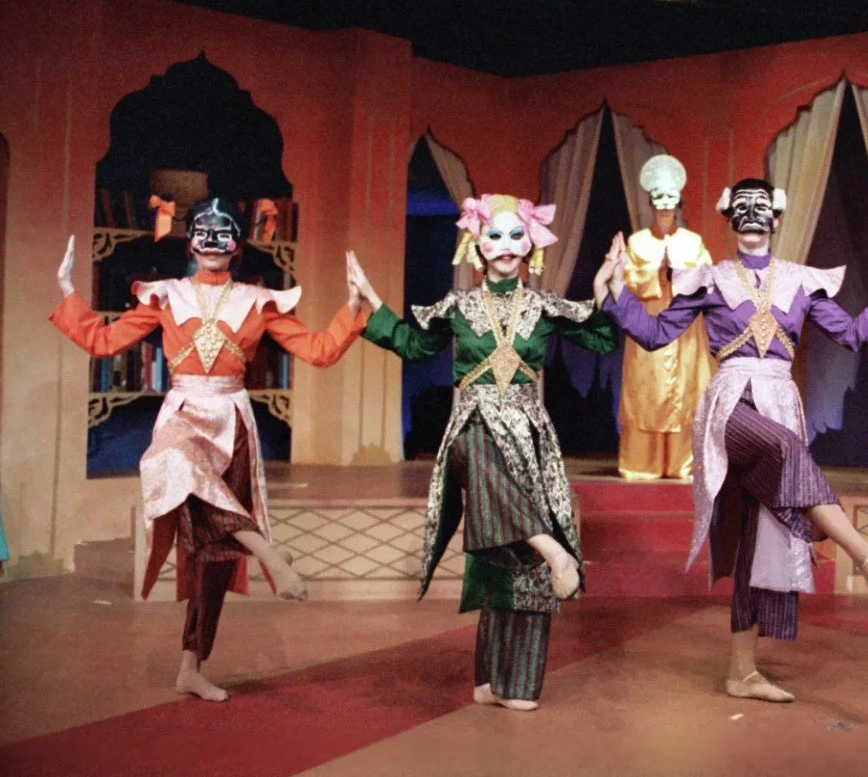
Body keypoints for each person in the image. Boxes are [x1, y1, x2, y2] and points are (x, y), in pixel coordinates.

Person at [595, 177, 868, 703]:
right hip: (729, 406)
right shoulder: (708, 277)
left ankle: (741, 672)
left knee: (757, 536)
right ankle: (865, 556)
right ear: (729, 218)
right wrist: (613, 289)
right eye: (741, 208)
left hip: (780, 403)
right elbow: (655, 335)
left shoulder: (801, 281)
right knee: (788, 451)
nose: (751, 216)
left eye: (760, 208)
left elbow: (854, 334)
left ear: (775, 218)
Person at [50, 197, 369, 702]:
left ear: (238, 242)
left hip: (233, 425)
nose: (213, 240)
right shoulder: (165, 296)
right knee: (171, 461)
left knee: (211, 559)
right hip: (183, 416)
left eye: (225, 232)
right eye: (202, 229)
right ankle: (271, 557)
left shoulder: (259, 301)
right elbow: (104, 341)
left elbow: (319, 350)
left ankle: (190, 666)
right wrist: (68, 290)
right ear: (190, 238)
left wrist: (353, 306)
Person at [349, 192, 614, 711]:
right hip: (472, 424)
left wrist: (607, 291)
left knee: (510, 554)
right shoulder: (457, 306)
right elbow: (411, 343)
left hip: (530, 430)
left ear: (530, 244)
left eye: (517, 235)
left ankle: (500, 683)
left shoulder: (542, 306)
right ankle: (557, 550)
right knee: (488, 471)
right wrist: (370, 301)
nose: (506, 245)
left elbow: (600, 339)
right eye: (495, 235)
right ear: (476, 243)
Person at [617, 154, 715, 481]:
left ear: (679, 202)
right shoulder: (637, 241)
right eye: (658, 197)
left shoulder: (693, 242)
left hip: (684, 327)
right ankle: (641, 464)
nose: (664, 204)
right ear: (649, 201)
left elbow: (706, 279)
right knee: (647, 391)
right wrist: (654, 271)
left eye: (670, 197)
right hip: (647, 323)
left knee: (687, 391)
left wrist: (679, 272)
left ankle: (681, 464)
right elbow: (628, 280)